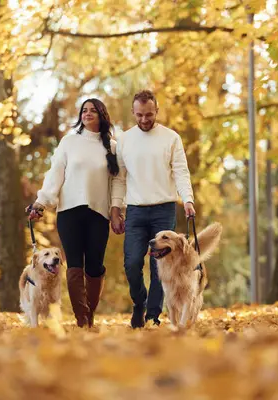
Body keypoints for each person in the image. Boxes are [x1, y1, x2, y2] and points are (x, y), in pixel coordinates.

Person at [27, 98, 119, 328]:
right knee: (75, 264)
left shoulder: (113, 147)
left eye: (93, 111)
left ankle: (89, 313)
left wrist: (118, 209)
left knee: (95, 267)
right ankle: (82, 319)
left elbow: (118, 183)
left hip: (99, 212)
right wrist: (41, 203)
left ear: (102, 115)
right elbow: (55, 173)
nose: (87, 114)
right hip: (69, 212)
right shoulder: (69, 142)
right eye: (84, 111)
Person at [110, 90, 196, 329]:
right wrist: (116, 208)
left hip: (164, 209)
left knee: (163, 267)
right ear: (133, 113)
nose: (145, 119)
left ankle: (153, 316)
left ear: (157, 111)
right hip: (135, 210)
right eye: (139, 115)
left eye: (149, 114)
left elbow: (181, 171)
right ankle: (140, 303)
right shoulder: (124, 140)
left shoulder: (171, 138)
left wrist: (187, 200)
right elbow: (119, 178)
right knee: (132, 263)